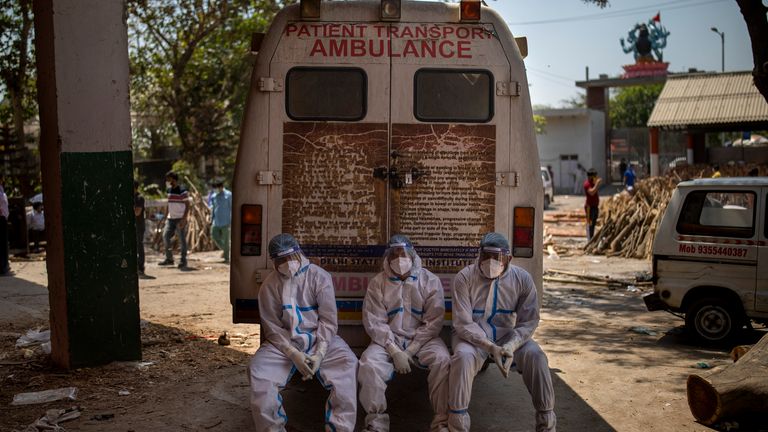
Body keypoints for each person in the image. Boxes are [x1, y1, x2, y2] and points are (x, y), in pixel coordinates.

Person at [248, 233, 357, 432]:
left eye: (291, 257)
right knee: (259, 372)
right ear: (274, 261)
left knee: (347, 364)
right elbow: (272, 327)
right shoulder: (269, 286)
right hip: (284, 345)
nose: (288, 263)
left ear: (299, 253)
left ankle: (340, 429)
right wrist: (293, 353)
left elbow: (328, 320)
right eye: (281, 259)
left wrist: (321, 352)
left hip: (320, 340)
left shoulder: (319, 276)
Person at [448, 233, 555, 432]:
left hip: (508, 337)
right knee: (462, 358)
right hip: (473, 339)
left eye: (497, 258)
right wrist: (489, 346)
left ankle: (546, 424)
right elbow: (463, 323)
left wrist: (511, 345)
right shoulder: (464, 277)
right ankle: (457, 425)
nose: (490, 263)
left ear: (508, 259)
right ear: (479, 256)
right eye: (486, 256)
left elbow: (529, 320)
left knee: (536, 356)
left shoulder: (522, 279)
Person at [358, 235, 450, 432]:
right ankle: (376, 423)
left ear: (413, 255)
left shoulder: (430, 280)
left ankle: (442, 422)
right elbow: (374, 321)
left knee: (443, 360)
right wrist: (394, 350)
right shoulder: (378, 283)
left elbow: (434, 321)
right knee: (369, 364)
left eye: (404, 254)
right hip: (389, 340)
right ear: (388, 257)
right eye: (395, 254)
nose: (400, 259)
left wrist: (410, 351)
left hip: (424, 339)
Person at [159, 171, 189, 269]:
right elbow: (169, 203)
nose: (167, 181)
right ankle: (169, 259)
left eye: (168, 179)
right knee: (165, 236)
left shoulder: (182, 190)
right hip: (170, 218)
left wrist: (184, 219)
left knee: (182, 240)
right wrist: (165, 216)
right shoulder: (169, 190)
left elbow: (187, 205)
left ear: (173, 179)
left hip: (180, 218)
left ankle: (183, 261)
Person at [208, 178, 232, 263]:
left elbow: (232, 208)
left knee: (226, 240)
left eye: (217, 187)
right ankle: (226, 250)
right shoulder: (214, 196)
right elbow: (213, 208)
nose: (215, 190)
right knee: (214, 236)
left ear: (221, 186)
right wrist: (211, 219)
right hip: (216, 221)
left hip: (226, 222)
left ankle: (226, 257)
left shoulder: (228, 195)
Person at [134, 181, 148, 278]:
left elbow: (137, 212)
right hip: (135, 225)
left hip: (139, 225)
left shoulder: (139, 198)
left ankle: (141, 267)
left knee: (139, 245)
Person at [583, 168, 601, 241]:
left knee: (593, 223)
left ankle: (592, 238)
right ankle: (589, 239)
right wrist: (597, 184)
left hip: (595, 206)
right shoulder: (587, 184)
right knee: (589, 223)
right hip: (589, 207)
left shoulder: (593, 183)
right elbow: (592, 192)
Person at [0, 180, 10, 275]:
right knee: (2, 244)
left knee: (3, 243)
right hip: (1, 217)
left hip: (3, 218)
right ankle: (2, 268)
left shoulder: (1, 190)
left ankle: (4, 267)